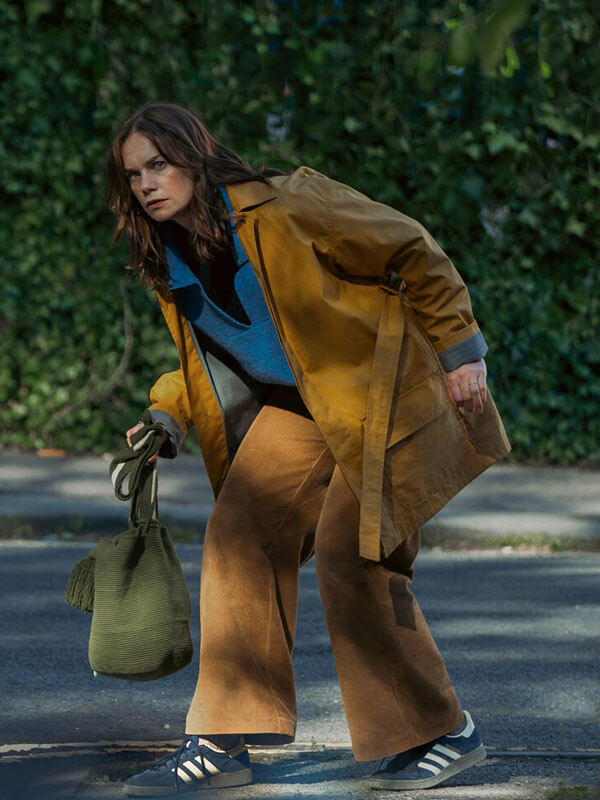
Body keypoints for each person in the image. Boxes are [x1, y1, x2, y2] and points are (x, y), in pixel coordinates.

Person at [106, 102, 510, 795]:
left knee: (356, 555)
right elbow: (203, 358)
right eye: (134, 173)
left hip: (377, 393)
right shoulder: (169, 260)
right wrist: (166, 413)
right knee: (238, 537)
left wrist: (461, 351)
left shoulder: (288, 205)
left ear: (196, 157)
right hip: (297, 409)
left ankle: (446, 732)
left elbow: (410, 245)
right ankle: (223, 741)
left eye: (159, 164)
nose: (147, 182)